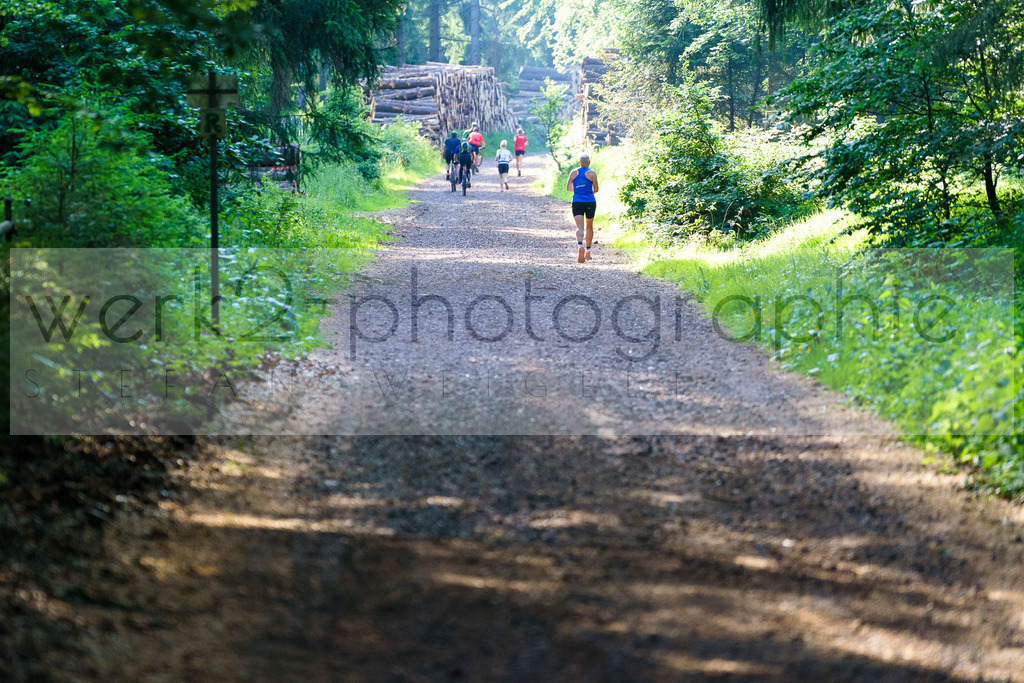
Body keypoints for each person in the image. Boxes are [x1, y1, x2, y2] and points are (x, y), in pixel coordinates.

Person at [565, 153, 599, 263]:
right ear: (589, 163)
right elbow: (596, 189)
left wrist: (578, 190)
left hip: (577, 202)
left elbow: (568, 188)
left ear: (579, 163)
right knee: (589, 226)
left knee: (579, 227)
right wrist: (588, 191)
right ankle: (588, 251)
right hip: (590, 201)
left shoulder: (573, 172)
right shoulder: (592, 173)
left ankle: (580, 245)